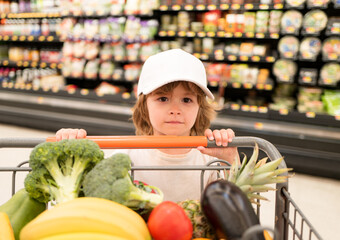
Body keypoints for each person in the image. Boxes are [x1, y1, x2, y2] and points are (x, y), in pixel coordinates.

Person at [56, 49, 239, 202]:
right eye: (163, 98)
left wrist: (231, 160)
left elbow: (236, 205)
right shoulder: (125, 156)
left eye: (186, 99)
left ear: (200, 107)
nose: (175, 109)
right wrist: (71, 152)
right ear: (144, 106)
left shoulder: (209, 160)